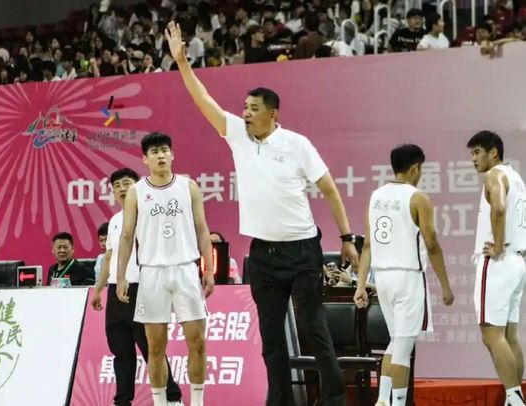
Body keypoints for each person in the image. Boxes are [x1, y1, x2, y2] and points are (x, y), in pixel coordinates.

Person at [165, 21, 359, 406]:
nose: (246, 113)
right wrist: (183, 62)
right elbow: (203, 101)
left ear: (273, 113)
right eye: (244, 108)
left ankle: (334, 399)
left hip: (302, 250)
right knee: (271, 338)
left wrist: (347, 238)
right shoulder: (238, 135)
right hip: (263, 256)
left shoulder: (297, 144)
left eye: (254, 109)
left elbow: (329, 189)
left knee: (313, 328)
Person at [116, 133, 215, 406]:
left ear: (172, 155)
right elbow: (127, 236)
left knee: (197, 342)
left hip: (185, 270)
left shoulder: (188, 186)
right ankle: (160, 403)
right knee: (155, 347)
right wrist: (121, 276)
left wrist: (208, 270)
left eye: (164, 150)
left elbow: (202, 229)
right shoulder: (136, 192)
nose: (160, 155)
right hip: (152, 273)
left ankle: (197, 403)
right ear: (145, 159)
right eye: (154, 152)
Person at [353, 144, 454, 406]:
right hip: (407, 277)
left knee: (396, 342)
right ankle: (397, 403)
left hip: (382, 277)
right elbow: (432, 244)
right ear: (415, 168)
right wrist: (445, 285)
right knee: (403, 348)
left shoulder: (375, 196)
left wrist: (361, 285)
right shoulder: (418, 198)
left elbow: (367, 245)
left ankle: (382, 400)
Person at [91, 168, 183, 406]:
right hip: (116, 291)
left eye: (126, 183)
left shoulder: (150, 215)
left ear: (138, 187)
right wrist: (99, 289)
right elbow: (109, 257)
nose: (122, 189)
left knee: (151, 348)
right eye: (117, 186)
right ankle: (122, 401)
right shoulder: (114, 221)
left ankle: (172, 397)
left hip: (143, 288)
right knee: (121, 351)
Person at [467, 131, 526, 406]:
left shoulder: (494, 175)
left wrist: (499, 245)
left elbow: (499, 208)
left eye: (477, 152)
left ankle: (514, 398)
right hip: (517, 262)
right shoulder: (517, 178)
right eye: (472, 154)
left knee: (491, 333)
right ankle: (514, 397)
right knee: (509, 336)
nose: (473, 159)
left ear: (494, 153)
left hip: (499, 262)